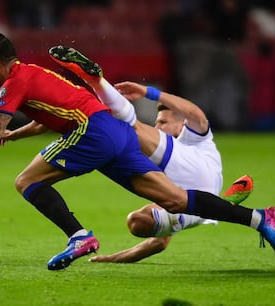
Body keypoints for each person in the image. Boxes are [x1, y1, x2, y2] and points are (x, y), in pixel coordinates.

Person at [0, 34, 275, 272]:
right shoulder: (36, 74)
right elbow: (47, 119)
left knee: (26, 181)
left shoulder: (12, 84)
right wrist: (17, 134)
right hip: (115, 132)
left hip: (90, 132)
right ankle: (259, 219)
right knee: (176, 200)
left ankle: (79, 237)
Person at [48, 46, 254, 263]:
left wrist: (149, 92)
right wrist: (112, 259)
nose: (158, 127)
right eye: (157, 122)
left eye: (163, 122)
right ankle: (221, 207)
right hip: (195, 201)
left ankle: (95, 82)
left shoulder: (195, 137)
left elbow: (196, 115)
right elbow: (159, 243)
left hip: (198, 187)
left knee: (129, 131)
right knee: (140, 221)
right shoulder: (167, 159)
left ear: (181, 123)